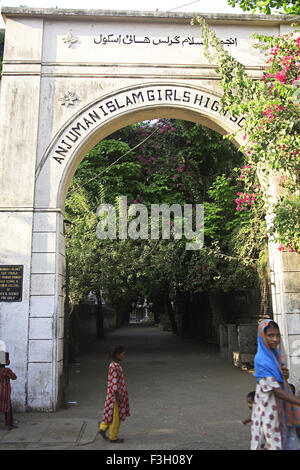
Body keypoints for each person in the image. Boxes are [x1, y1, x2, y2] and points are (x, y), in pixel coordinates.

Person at [251, 320, 300, 450]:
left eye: (278, 335)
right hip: (268, 410)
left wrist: (285, 375)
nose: (275, 339)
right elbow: (275, 390)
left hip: (281, 408)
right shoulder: (261, 359)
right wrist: (297, 401)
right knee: (272, 442)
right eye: (271, 335)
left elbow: (280, 381)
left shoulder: (275, 356)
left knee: (283, 441)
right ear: (262, 336)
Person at [99, 346, 130, 443]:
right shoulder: (114, 366)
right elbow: (114, 381)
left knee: (110, 413)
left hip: (113, 394)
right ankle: (113, 437)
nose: (124, 356)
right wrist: (117, 394)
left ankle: (102, 428)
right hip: (115, 396)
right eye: (123, 354)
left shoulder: (115, 365)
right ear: (117, 354)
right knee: (116, 417)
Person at [0, 352, 17, 430]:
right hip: (4, 391)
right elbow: (14, 377)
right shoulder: (6, 370)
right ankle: (9, 424)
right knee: (8, 408)